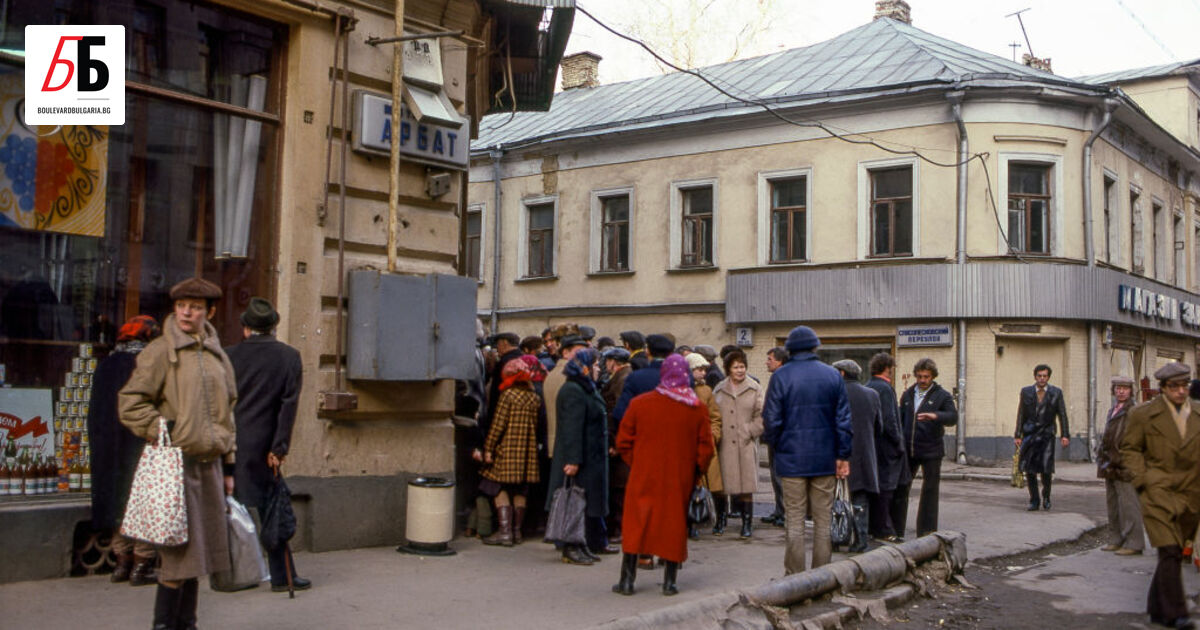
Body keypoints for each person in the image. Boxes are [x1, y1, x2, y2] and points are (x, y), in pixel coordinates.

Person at [119, 277, 236, 630]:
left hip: (209, 468)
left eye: (196, 307)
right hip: (176, 469)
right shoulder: (159, 352)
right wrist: (162, 429)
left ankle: (187, 625)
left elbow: (229, 413)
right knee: (177, 559)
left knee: (198, 560)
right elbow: (131, 402)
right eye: (182, 305)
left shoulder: (218, 355)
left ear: (209, 312)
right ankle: (164, 626)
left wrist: (229, 468)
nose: (187, 312)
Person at [224, 297, 311, 592]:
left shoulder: (228, 356)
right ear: (273, 326)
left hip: (231, 442)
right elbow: (288, 407)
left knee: (227, 507)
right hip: (264, 446)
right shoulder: (289, 357)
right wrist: (279, 448)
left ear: (246, 328)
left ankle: (229, 573)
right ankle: (282, 575)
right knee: (271, 509)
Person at [613, 354, 715, 596]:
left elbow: (623, 441)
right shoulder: (696, 408)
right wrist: (695, 471)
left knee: (637, 523)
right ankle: (669, 582)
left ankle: (627, 581)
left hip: (643, 474)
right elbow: (706, 448)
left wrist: (636, 463)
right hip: (679, 477)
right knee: (673, 525)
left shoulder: (640, 404)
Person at [762, 325, 852, 574]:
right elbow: (843, 420)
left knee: (794, 521)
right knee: (823, 522)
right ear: (815, 347)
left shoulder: (780, 376)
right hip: (825, 459)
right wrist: (842, 454)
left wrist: (776, 444)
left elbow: (771, 419)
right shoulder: (832, 375)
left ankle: (794, 577)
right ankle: (822, 576)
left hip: (791, 459)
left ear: (789, 349)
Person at [1121, 362, 1200, 629]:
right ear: (1163, 389)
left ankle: (1156, 607)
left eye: (1185, 385)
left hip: (1191, 494)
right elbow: (1130, 448)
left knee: (1175, 551)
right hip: (1158, 492)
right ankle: (1176, 614)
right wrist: (1142, 480)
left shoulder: (1198, 413)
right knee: (1168, 549)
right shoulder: (1143, 414)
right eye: (1174, 386)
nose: (1181, 391)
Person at [87, 315, 161, 587]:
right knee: (143, 502)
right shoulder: (147, 365)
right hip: (139, 442)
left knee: (119, 502)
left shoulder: (105, 365)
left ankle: (121, 564)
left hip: (108, 444)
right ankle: (142, 564)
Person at [548, 348, 612, 565]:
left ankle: (581, 544)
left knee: (584, 503)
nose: (597, 369)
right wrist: (573, 460)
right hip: (580, 458)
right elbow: (571, 428)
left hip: (591, 456)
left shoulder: (585, 387)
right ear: (583, 366)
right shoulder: (573, 390)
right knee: (574, 502)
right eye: (594, 365)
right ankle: (570, 546)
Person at [479, 355, 543, 547]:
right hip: (527, 452)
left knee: (499, 487)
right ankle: (517, 532)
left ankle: (505, 533)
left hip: (507, 449)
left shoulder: (508, 396)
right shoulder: (534, 398)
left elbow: (498, 425)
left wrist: (488, 448)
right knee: (521, 490)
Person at [895, 358, 958, 538]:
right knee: (902, 487)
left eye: (926, 377)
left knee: (930, 489)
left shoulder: (942, 395)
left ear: (932, 377)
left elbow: (952, 417)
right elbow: (901, 418)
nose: (923, 380)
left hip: (931, 448)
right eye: (920, 376)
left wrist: (935, 416)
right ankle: (897, 528)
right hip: (909, 448)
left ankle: (926, 529)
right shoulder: (908, 394)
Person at [712, 349, 764, 538]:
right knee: (721, 485)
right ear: (728, 369)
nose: (740, 370)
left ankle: (747, 523)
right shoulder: (718, 389)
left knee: (746, 486)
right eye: (736, 367)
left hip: (745, 443)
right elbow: (713, 415)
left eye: (742, 366)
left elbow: (761, 415)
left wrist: (750, 431)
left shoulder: (755, 388)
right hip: (724, 443)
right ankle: (720, 519)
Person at [833, 359, 881, 553]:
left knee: (836, 498)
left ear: (842, 373)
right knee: (860, 499)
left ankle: (836, 537)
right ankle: (860, 540)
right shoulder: (872, 395)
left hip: (838, 454)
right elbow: (880, 427)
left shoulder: (834, 394)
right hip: (864, 455)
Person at [1097, 375, 1143, 556]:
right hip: (1110, 463)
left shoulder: (1134, 411)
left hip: (1125, 464)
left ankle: (1135, 543)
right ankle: (1115, 539)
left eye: (1125, 388)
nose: (1121, 391)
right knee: (1113, 504)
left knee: (1129, 505)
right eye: (1118, 388)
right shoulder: (1113, 409)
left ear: (1131, 390)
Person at [1014, 364, 1070, 511]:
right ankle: (1034, 500)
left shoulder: (1056, 393)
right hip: (1030, 434)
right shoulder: (1026, 392)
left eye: (1045, 376)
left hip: (1047, 435)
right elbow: (1021, 414)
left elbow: (1062, 414)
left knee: (1046, 469)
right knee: (1030, 469)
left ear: (1048, 377)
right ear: (1035, 377)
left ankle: (1046, 496)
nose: (1042, 379)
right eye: (1039, 376)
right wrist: (1018, 434)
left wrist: (1065, 435)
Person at [865, 352, 906, 542]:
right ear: (887, 368)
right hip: (887, 447)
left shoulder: (867, 386)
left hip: (871, 444)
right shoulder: (885, 389)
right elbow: (890, 420)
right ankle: (885, 528)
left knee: (874, 487)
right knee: (887, 489)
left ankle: (872, 525)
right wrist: (898, 443)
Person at [687, 352, 723, 539]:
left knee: (700, 485)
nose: (702, 373)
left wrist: (714, 435)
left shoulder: (706, 391)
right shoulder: (680, 389)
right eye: (698, 369)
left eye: (704, 369)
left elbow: (715, 417)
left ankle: (697, 520)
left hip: (703, 443)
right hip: (685, 445)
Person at [601, 347, 633, 542]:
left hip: (619, 441)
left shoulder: (622, 379)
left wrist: (615, 441)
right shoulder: (624, 377)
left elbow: (620, 413)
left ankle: (620, 529)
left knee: (620, 486)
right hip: (620, 439)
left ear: (614, 362)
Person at [760, 346, 788, 527]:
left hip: (780, 435)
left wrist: (770, 431)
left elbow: (774, 409)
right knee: (775, 476)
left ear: (779, 361)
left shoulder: (780, 378)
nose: (767, 362)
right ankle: (779, 510)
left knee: (780, 476)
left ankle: (783, 512)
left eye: (770, 359)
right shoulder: (779, 377)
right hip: (777, 434)